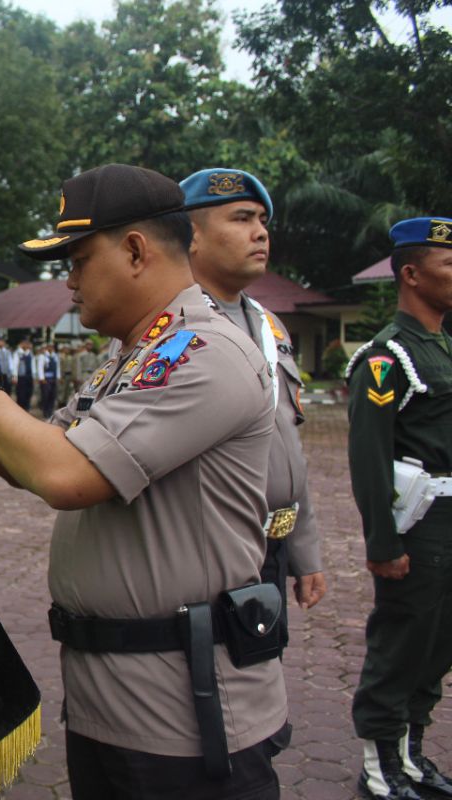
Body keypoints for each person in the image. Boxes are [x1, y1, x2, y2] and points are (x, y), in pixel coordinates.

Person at [0, 164, 287, 798]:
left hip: (185, 711)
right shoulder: (132, 355)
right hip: (117, 699)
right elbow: (29, 461)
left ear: (136, 250)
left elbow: (66, 475)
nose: (68, 281)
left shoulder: (200, 352)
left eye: (79, 259)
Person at [180, 168, 327, 644]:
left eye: (263, 220)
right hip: (210, 549)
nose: (260, 232)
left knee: (262, 670)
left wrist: (304, 551)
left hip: (272, 548)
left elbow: (288, 445)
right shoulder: (172, 330)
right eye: (242, 218)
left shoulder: (269, 326)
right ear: (191, 236)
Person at [346, 216, 452, 800]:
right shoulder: (386, 359)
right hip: (420, 528)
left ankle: (411, 757)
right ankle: (378, 765)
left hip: (451, 525)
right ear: (411, 274)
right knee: (400, 645)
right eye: (448, 263)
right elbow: (368, 458)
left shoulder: (445, 348)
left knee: (437, 648)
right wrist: (382, 544)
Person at [36, 341, 59, 419]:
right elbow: (40, 367)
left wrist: (58, 377)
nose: (50, 348)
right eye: (49, 346)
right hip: (46, 379)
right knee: (46, 395)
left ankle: (50, 411)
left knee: (52, 395)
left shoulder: (55, 356)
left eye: (52, 346)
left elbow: (57, 367)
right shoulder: (43, 356)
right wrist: (42, 378)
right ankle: (45, 411)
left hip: (53, 378)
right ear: (46, 347)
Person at [11, 337, 36, 411]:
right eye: (25, 343)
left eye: (28, 343)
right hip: (21, 377)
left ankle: (27, 408)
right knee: (21, 394)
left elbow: (33, 365)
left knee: (29, 393)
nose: (27, 345)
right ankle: (20, 409)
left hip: (29, 377)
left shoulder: (30, 353)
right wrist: (15, 377)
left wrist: (34, 377)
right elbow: (15, 366)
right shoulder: (17, 353)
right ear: (21, 344)